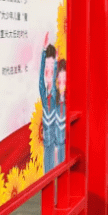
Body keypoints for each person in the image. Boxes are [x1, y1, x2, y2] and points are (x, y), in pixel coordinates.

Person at [39, 36, 58, 173]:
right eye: (47, 72)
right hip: (47, 141)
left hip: (57, 140)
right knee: (47, 171)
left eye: (52, 72)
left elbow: (54, 70)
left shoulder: (55, 93)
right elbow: (41, 78)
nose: (48, 75)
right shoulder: (43, 92)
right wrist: (44, 51)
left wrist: (54, 61)